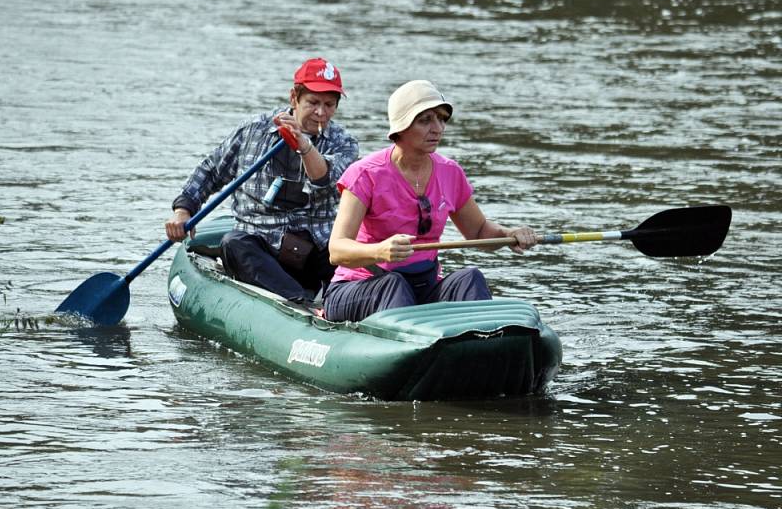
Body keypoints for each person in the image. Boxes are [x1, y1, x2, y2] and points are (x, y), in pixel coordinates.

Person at [323, 80, 537, 322]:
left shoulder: (451, 172)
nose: (438, 128)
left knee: (470, 278)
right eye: (425, 120)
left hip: (423, 288)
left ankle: (483, 345)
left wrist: (510, 234)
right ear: (401, 127)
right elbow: (337, 251)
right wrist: (379, 251)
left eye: (442, 119)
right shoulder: (365, 174)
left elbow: (478, 233)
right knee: (393, 285)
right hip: (360, 286)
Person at [165, 57, 359, 303]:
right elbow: (211, 171)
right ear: (294, 98)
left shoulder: (345, 143)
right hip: (260, 246)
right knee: (233, 243)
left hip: (315, 247)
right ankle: (299, 302)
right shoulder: (253, 130)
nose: (321, 113)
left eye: (329, 105)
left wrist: (304, 146)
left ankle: (343, 300)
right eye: (313, 102)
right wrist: (183, 211)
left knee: (349, 255)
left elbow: (325, 179)